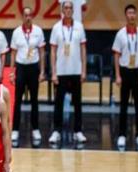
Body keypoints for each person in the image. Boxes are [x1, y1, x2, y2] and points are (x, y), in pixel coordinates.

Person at [49, 0, 87, 144]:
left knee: (77, 103)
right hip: (61, 71)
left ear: (73, 10)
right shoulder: (56, 28)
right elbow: (53, 51)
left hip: (76, 70)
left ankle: (78, 131)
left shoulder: (79, 27)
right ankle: (56, 131)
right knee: (58, 103)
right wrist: (53, 72)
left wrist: (83, 70)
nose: (68, 10)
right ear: (62, 10)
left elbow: (83, 49)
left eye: (71, 8)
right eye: (66, 8)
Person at [112, 3, 138, 149]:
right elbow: (116, 55)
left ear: (136, 15)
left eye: (133, 13)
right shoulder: (120, 34)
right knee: (123, 105)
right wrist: (117, 75)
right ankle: (122, 135)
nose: (131, 15)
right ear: (126, 15)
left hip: (137, 72)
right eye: (129, 13)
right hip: (125, 71)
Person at [9, 6, 46, 145]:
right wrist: (12, 72)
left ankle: (35, 129)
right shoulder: (16, 32)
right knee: (17, 100)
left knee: (34, 100)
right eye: (25, 15)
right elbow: (13, 53)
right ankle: (15, 130)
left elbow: (42, 52)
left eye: (30, 15)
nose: (28, 17)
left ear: (32, 17)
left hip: (33, 68)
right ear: (22, 17)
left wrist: (42, 71)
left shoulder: (38, 31)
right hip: (21, 68)